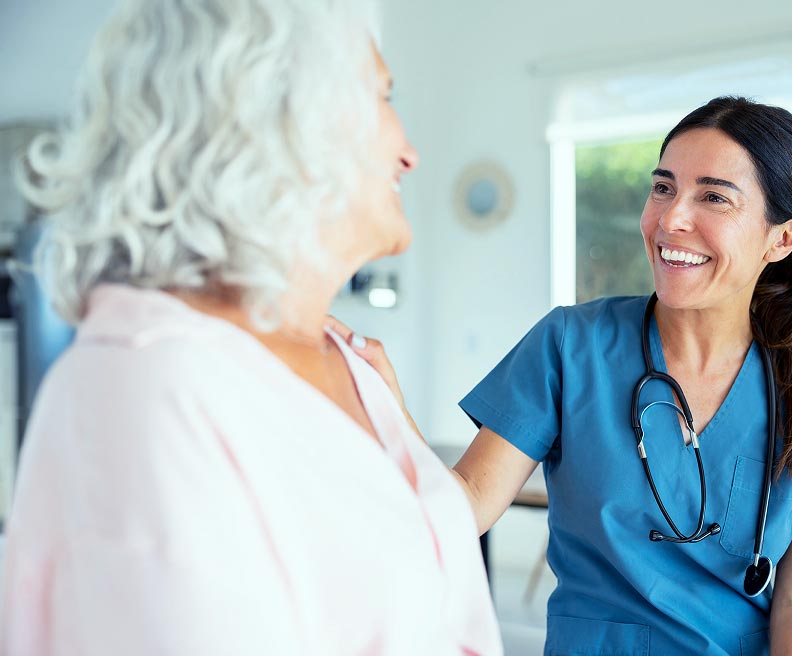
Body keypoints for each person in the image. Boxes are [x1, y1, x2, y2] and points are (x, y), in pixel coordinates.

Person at [0, 1, 501, 654]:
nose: (409, 153)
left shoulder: (351, 360)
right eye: (383, 95)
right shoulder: (144, 387)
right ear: (279, 117)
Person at [351, 96, 792, 655]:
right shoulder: (570, 346)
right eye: (663, 187)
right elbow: (464, 509)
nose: (671, 218)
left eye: (714, 197)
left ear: (782, 238)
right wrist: (387, 412)